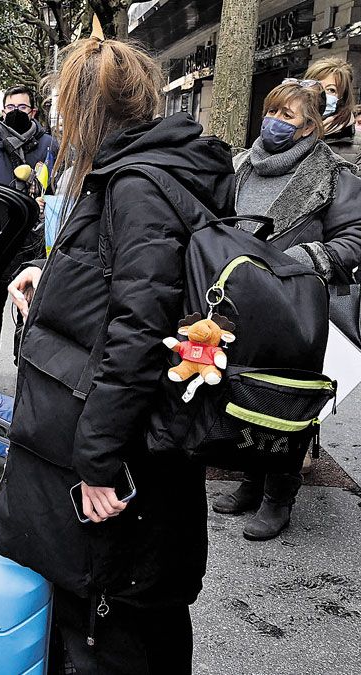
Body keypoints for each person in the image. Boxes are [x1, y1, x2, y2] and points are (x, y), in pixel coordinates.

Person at [0, 38, 235, 673]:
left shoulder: (135, 185)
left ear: (83, 109)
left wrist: (95, 460)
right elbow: (135, 291)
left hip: (123, 464)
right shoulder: (160, 172)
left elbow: (137, 333)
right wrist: (52, 279)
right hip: (144, 447)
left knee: (110, 625)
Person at [220, 79, 361, 540]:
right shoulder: (243, 164)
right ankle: (249, 480)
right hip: (243, 301)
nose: (276, 123)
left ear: (308, 128)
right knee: (242, 392)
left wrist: (295, 262)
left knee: (286, 400)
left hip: (298, 305)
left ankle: (279, 495)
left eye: (289, 117)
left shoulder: (334, 174)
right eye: (272, 111)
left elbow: (354, 240)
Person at [0, 85, 60, 385]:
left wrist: (48, 201)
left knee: (28, 304)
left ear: (33, 112)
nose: (15, 113)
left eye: (22, 108)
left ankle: (25, 363)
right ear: (2, 110)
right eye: (10, 107)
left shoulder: (50, 146)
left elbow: (61, 187)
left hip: (32, 240)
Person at [305, 57, 360, 163]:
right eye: (316, 85)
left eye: (331, 90)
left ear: (341, 99)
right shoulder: (288, 130)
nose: (320, 94)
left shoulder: (357, 148)